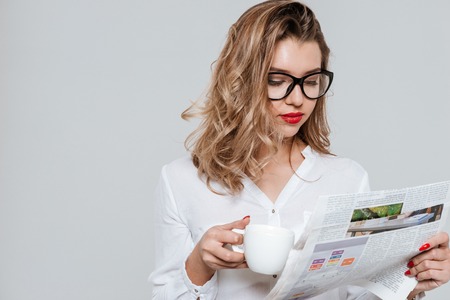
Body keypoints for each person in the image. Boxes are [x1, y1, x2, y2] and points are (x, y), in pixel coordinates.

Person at [149, 1, 450, 299]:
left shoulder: (347, 178)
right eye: (278, 81)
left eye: (311, 80)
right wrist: (200, 264)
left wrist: (412, 283)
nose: (298, 99)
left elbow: (358, 294)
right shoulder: (181, 181)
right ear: (241, 80)